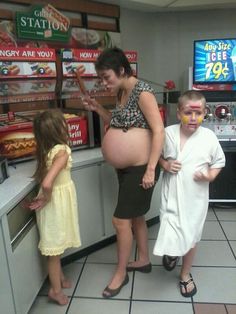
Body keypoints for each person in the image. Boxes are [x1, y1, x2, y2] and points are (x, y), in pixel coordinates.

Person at [76, 47, 164, 298]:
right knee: (135, 216)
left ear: (122, 70)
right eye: (101, 78)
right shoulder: (122, 92)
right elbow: (116, 122)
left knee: (120, 220)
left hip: (141, 168)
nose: (103, 83)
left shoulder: (143, 92)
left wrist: (150, 169)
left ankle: (121, 272)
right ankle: (143, 259)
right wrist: (97, 108)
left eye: (106, 77)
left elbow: (158, 130)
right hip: (126, 168)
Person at [153, 90, 225, 297]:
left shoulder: (209, 137)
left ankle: (185, 274)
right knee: (170, 228)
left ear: (204, 113)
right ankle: (172, 252)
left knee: (191, 237)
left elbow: (219, 161)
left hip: (196, 199)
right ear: (178, 113)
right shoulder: (167, 133)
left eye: (198, 113)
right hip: (172, 196)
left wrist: (211, 175)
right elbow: (155, 154)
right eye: (188, 113)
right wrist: (165, 164)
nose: (193, 118)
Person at [29, 109, 81, 306]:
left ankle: (60, 279)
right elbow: (48, 183)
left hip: (56, 204)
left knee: (56, 246)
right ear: (59, 129)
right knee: (54, 252)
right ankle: (55, 291)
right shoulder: (62, 151)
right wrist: (46, 198)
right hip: (55, 205)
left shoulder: (47, 149)